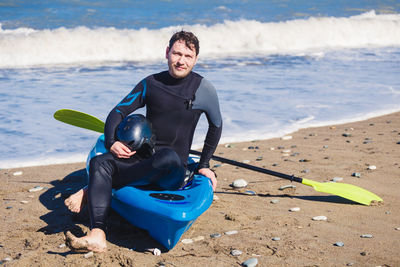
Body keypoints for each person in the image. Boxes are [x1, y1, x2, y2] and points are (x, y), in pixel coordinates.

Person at [64, 31, 223, 252]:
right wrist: (111, 142)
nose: (181, 60)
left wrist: (204, 164)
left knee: (167, 157)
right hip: (142, 160)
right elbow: (118, 112)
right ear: (167, 53)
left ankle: (93, 188)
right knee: (99, 163)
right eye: (176, 53)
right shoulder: (151, 83)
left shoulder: (202, 88)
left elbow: (216, 125)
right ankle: (97, 234)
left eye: (188, 55)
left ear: (196, 59)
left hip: (172, 171)